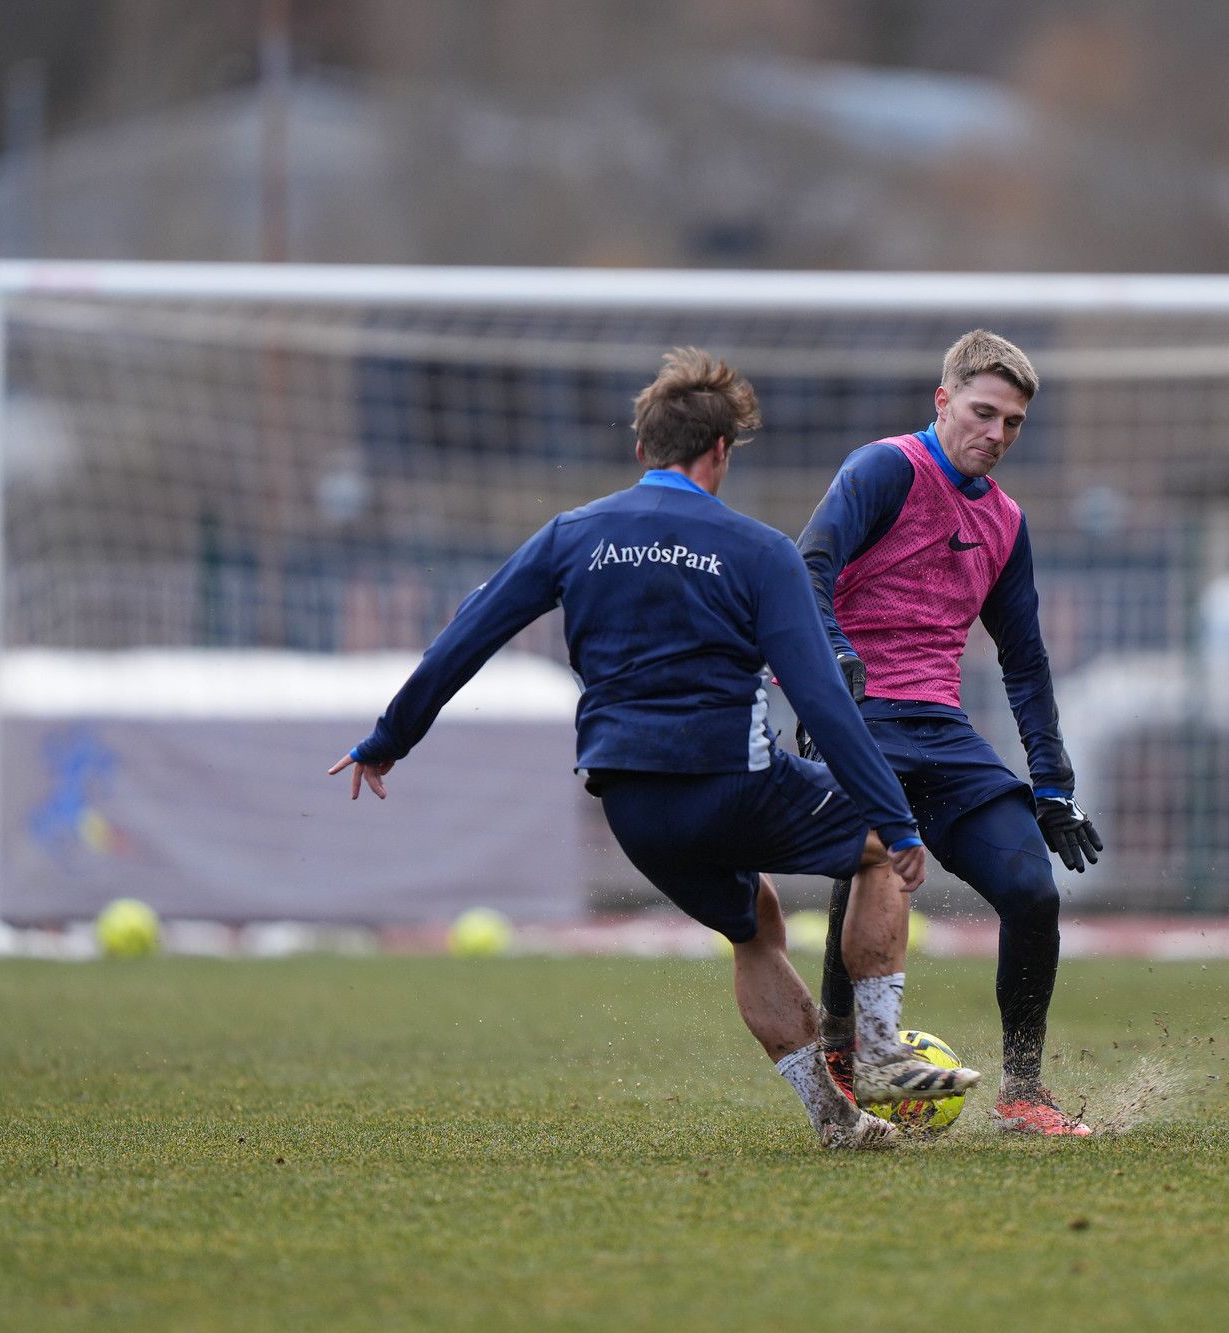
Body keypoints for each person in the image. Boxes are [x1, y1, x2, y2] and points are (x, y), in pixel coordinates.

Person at [328, 348, 978, 1150]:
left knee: (754, 926)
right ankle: (878, 1048)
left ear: (642, 450)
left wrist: (387, 740)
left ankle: (835, 1120)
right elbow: (820, 699)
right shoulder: (759, 549)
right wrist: (896, 818)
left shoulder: (574, 534)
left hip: (632, 806)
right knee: (878, 851)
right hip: (733, 781)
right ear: (719, 453)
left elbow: (468, 633)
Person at [795, 329, 1103, 1137]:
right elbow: (808, 569)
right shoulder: (885, 468)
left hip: (940, 729)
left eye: (1012, 423)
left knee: (1033, 893)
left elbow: (1026, 663)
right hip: (859, 714)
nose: (995, 434)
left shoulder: (1006, 522)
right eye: (982, 412)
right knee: (870, 860)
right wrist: (826, 665)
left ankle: (1024, 1092)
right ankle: (843, 1052)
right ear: (942, 401)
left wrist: (1053, 783)